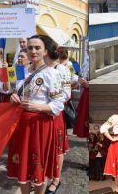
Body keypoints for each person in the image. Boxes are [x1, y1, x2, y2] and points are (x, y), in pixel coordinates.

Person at [7, 35, 64, 194]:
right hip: (22, 125)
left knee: (38, 167)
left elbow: (58, 104)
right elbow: (15, 92)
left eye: (37, 48)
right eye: (30, 48)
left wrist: (38, 107)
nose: (33, 51)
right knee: (23, 166)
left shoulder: (51, 73)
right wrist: (13, 97)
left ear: (45, 51)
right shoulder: (22, 71)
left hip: (40, 126)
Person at [44, 42, 72, 194]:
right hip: (41, 115)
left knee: (57, 147)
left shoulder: (61, 69)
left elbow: (67, 94)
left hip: (54, 113)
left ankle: (56, 179)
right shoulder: (40, 68)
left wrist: (50, 100)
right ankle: (44, 176)